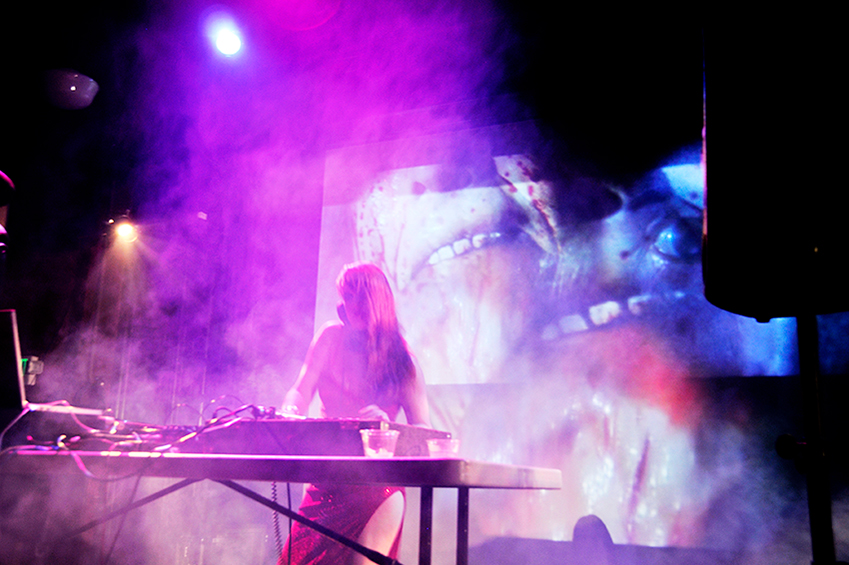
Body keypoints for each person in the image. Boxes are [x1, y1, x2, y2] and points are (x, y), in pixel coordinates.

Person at [279, 262, 430, 565]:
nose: (353, 304)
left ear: (380, 300)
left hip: (378, 488)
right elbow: (300, 390)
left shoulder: (403, 361)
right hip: (327, 482)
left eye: (361, 296)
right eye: (348, 296)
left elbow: (425, 435)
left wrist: (388, 429)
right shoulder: (329, 337)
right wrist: (291, 407)